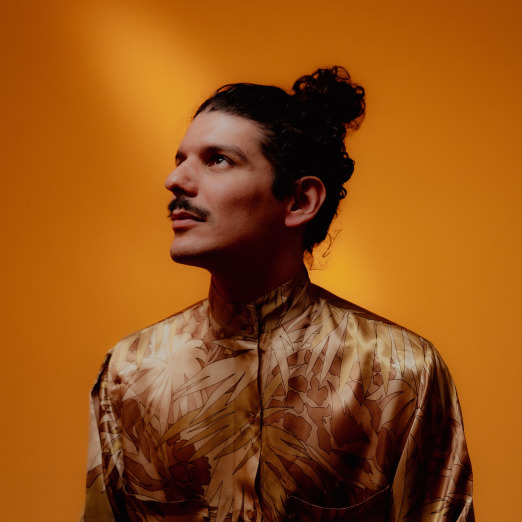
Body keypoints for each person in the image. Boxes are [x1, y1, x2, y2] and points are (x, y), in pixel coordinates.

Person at [82, 67, 473, 521]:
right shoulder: (130, 371)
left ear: (300, 201)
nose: (176, 180)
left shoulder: (399, 372)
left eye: (217, 160)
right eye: (180, 159)